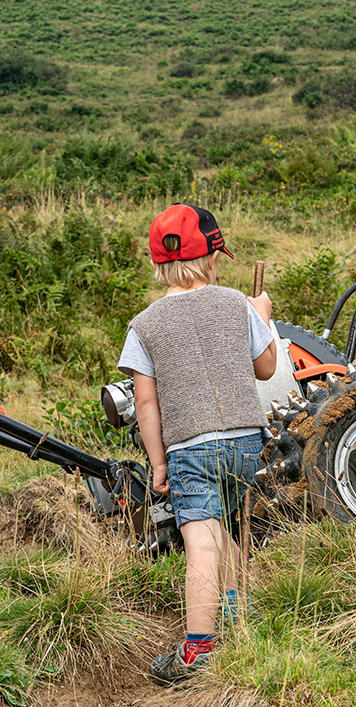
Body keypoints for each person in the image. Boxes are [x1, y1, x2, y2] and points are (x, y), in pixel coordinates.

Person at [117, 203, 276, 685]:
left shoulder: (143, 325)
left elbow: (146, 405)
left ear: (156, 264)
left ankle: (198, 652)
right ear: (211, 259)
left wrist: (158, 463)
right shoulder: (235, 303)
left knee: (200, 540)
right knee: (221, 532)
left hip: (190, 448)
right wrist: (262, 318)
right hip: (247, 441)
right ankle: (237, 613)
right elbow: (266, 369)